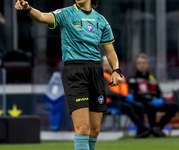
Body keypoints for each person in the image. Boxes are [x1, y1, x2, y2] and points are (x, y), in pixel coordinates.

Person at [15, 0, 122, 149]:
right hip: (75, 71)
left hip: (95, 72)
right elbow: (42, 17)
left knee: (94, 130)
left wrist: (116, 70)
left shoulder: (101, 20)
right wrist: (28, 9)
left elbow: (110, 51)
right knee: (83, 128)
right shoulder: (66, 14)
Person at [128, 53, 178, 137]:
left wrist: (160, 98)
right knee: (150, 106)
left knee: (174, 106)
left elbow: (158, 91)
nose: (142, 65)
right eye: (139, 63)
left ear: (147, 64)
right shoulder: (133, 78)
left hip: (154, 102)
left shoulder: (151, 77)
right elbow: (135, 94)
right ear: (136, 65)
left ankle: (158, 127)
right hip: (143, 103)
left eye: (143, 63)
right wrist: (149, 100)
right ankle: (152, 128)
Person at [103, 56, 150, 138]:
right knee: (127, 107)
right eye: (105, 65)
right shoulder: (102, 76)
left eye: (109, 64)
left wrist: (129, 95)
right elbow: (106, 92)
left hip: (122, 99)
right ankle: (142, 127)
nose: (107, 67)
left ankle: (140, 131)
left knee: (139, 106)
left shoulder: (120, 76)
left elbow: (128, 87)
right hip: (109, 101)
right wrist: (121, 96)